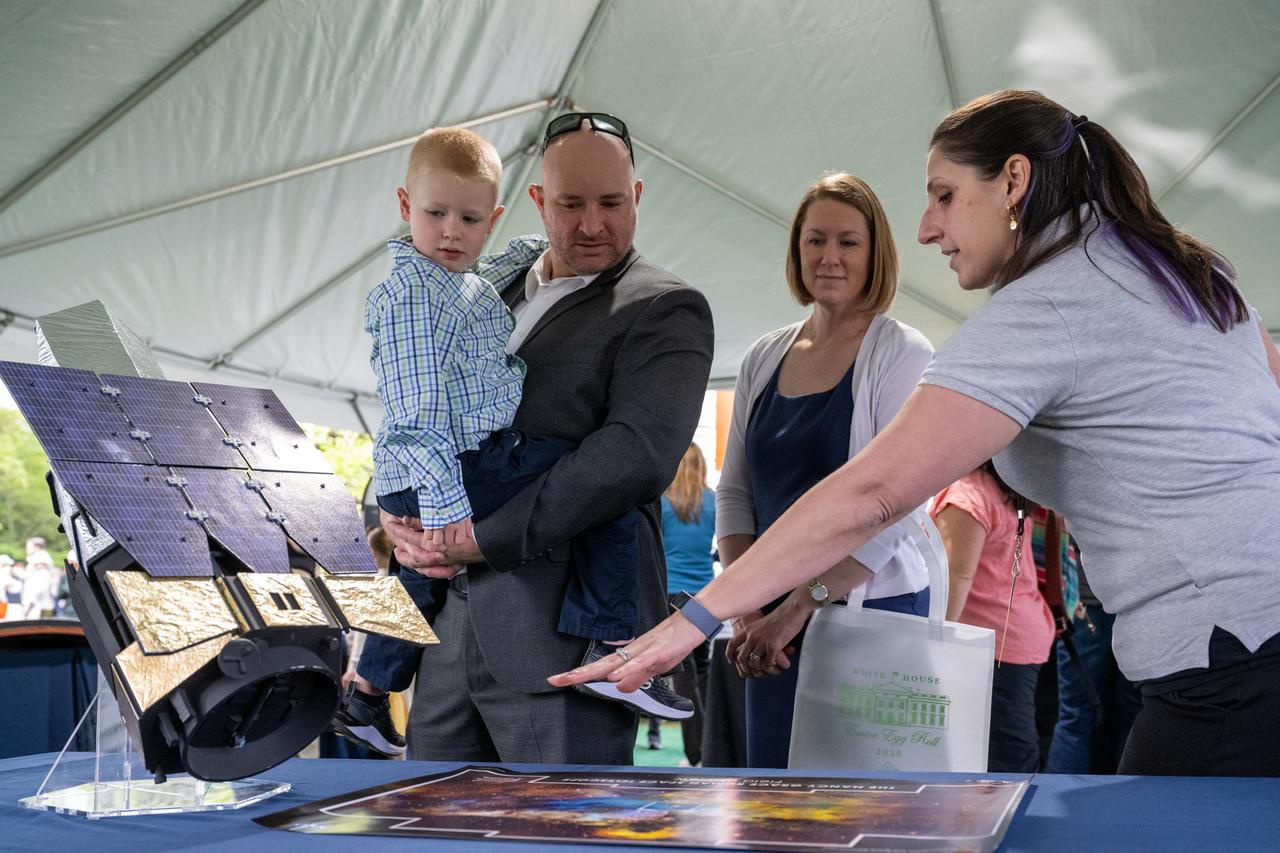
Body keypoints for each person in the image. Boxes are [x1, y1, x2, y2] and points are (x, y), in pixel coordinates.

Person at [554, 90, 1280, 778]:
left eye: (944, 195)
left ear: (1013, 181)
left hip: (1232, 656)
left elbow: (874, 491)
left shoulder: (1049, 303)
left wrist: (692, 622)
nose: (929, 226)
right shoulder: (1188, 269)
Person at [338, 125, 694, 757]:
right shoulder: (473, 285)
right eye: (570, 204)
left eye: (611, 203)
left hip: (557, 649)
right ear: (537, 201)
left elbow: (633, 460)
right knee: (434, 834)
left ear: (638, 196)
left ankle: (606, 637)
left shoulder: (664, 305)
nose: (591, 224)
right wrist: (401, 513)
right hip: (444, 644)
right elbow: (416, 397)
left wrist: (475, 538)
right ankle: (369, 688)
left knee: (560, 834)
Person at [715, 173, 934, 768]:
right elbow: (735, 493)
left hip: (869, 614)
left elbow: (896, 511)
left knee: (863, 804)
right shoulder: (764, 355)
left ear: (875, 254)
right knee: (772, 797)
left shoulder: (903, 353)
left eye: (848, 242)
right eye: (815, 241)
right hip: (768, 632)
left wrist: (797, 607)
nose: (829, 257)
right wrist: (748, 611)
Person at [930, 462, 1054, 772]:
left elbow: (956, 578)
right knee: (1012, 750)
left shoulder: (967, 495)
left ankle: (1019, 819)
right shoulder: (1002, 488)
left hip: (993, 644)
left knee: (1005, 760)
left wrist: (934, 649)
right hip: (1014, 636)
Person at [659, 443, 718, 765]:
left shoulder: (663, 502)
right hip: (707, 598)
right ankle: (713, 747)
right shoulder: (712, 501)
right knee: (703, 672)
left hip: (671, 596)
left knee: (684, 677)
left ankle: (697, 754)